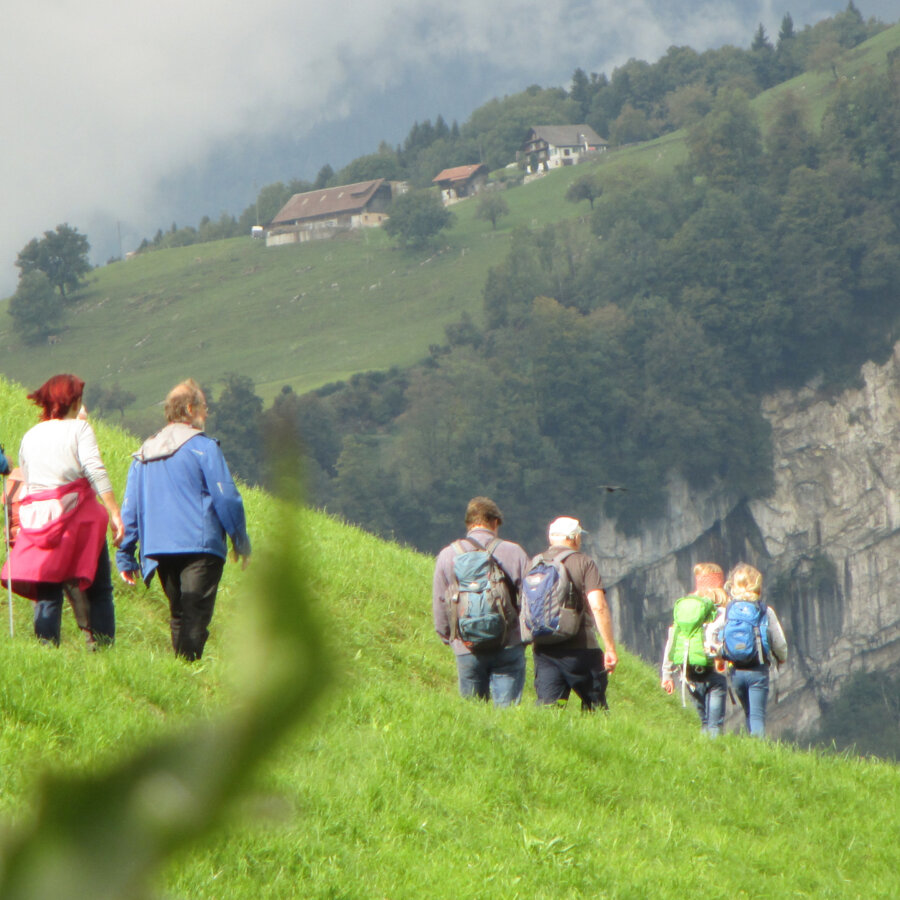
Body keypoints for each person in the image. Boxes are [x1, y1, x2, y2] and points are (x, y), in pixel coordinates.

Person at [116, 379, 251, 660]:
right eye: (204, 407)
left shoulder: (144, 452)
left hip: (159, 548)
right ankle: (188, 666)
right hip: (200, 545)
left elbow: (130, 507)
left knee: (179, 613)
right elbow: (226, 497)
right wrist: (240, 540)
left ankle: (181, 667)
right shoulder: (204, 448)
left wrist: (125, 554)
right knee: (194, 614)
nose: (206, 413)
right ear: (190, 409)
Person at [0, 374, 123, 645]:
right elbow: (95, 470)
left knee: (47, 591)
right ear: (74, 401)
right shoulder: (79, 429)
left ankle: (46, 648)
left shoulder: (31, 435)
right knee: (100, 589)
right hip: (79, 520)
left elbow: (29, 477)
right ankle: (103, 648)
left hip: (40, 520)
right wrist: (114, 511)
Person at [433, 497, 529, 706]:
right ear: (494, 522)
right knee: (507, 713)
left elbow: (440, 602)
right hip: (508, 644)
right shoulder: (514, 552)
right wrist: (525, 636)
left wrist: (449, 637)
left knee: (473, 712)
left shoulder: (447, 555)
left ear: (469, 524)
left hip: (467, 647)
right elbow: (530, 597)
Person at [529, 517, 618, 711]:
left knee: (549, 709)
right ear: (574, 538)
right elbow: (598, 606)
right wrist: (610, 648)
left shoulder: (535, 563)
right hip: (581, 648)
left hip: (544, 647)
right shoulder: (584, 563)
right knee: (595, 707)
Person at [711, 562, 788, 738]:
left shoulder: (729, 610)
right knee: (757, 716)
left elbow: (712, 632)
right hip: (757, 670)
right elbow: (779, 642)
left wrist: (718, 653)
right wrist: (781, 658)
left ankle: (750, 745)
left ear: (734, 586)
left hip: (736, 671)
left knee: (748, 712)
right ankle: (758, 749)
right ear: (757, 586)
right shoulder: (765, 611)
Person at [660, 562, 729, 736]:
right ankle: (714, 749)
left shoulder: (686, 609)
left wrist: (667, 674)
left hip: (688, 672)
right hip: (712, 672)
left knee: (704, 720)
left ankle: (704, 747)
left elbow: (672, 640)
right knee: (714, 724)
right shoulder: (719, 610)